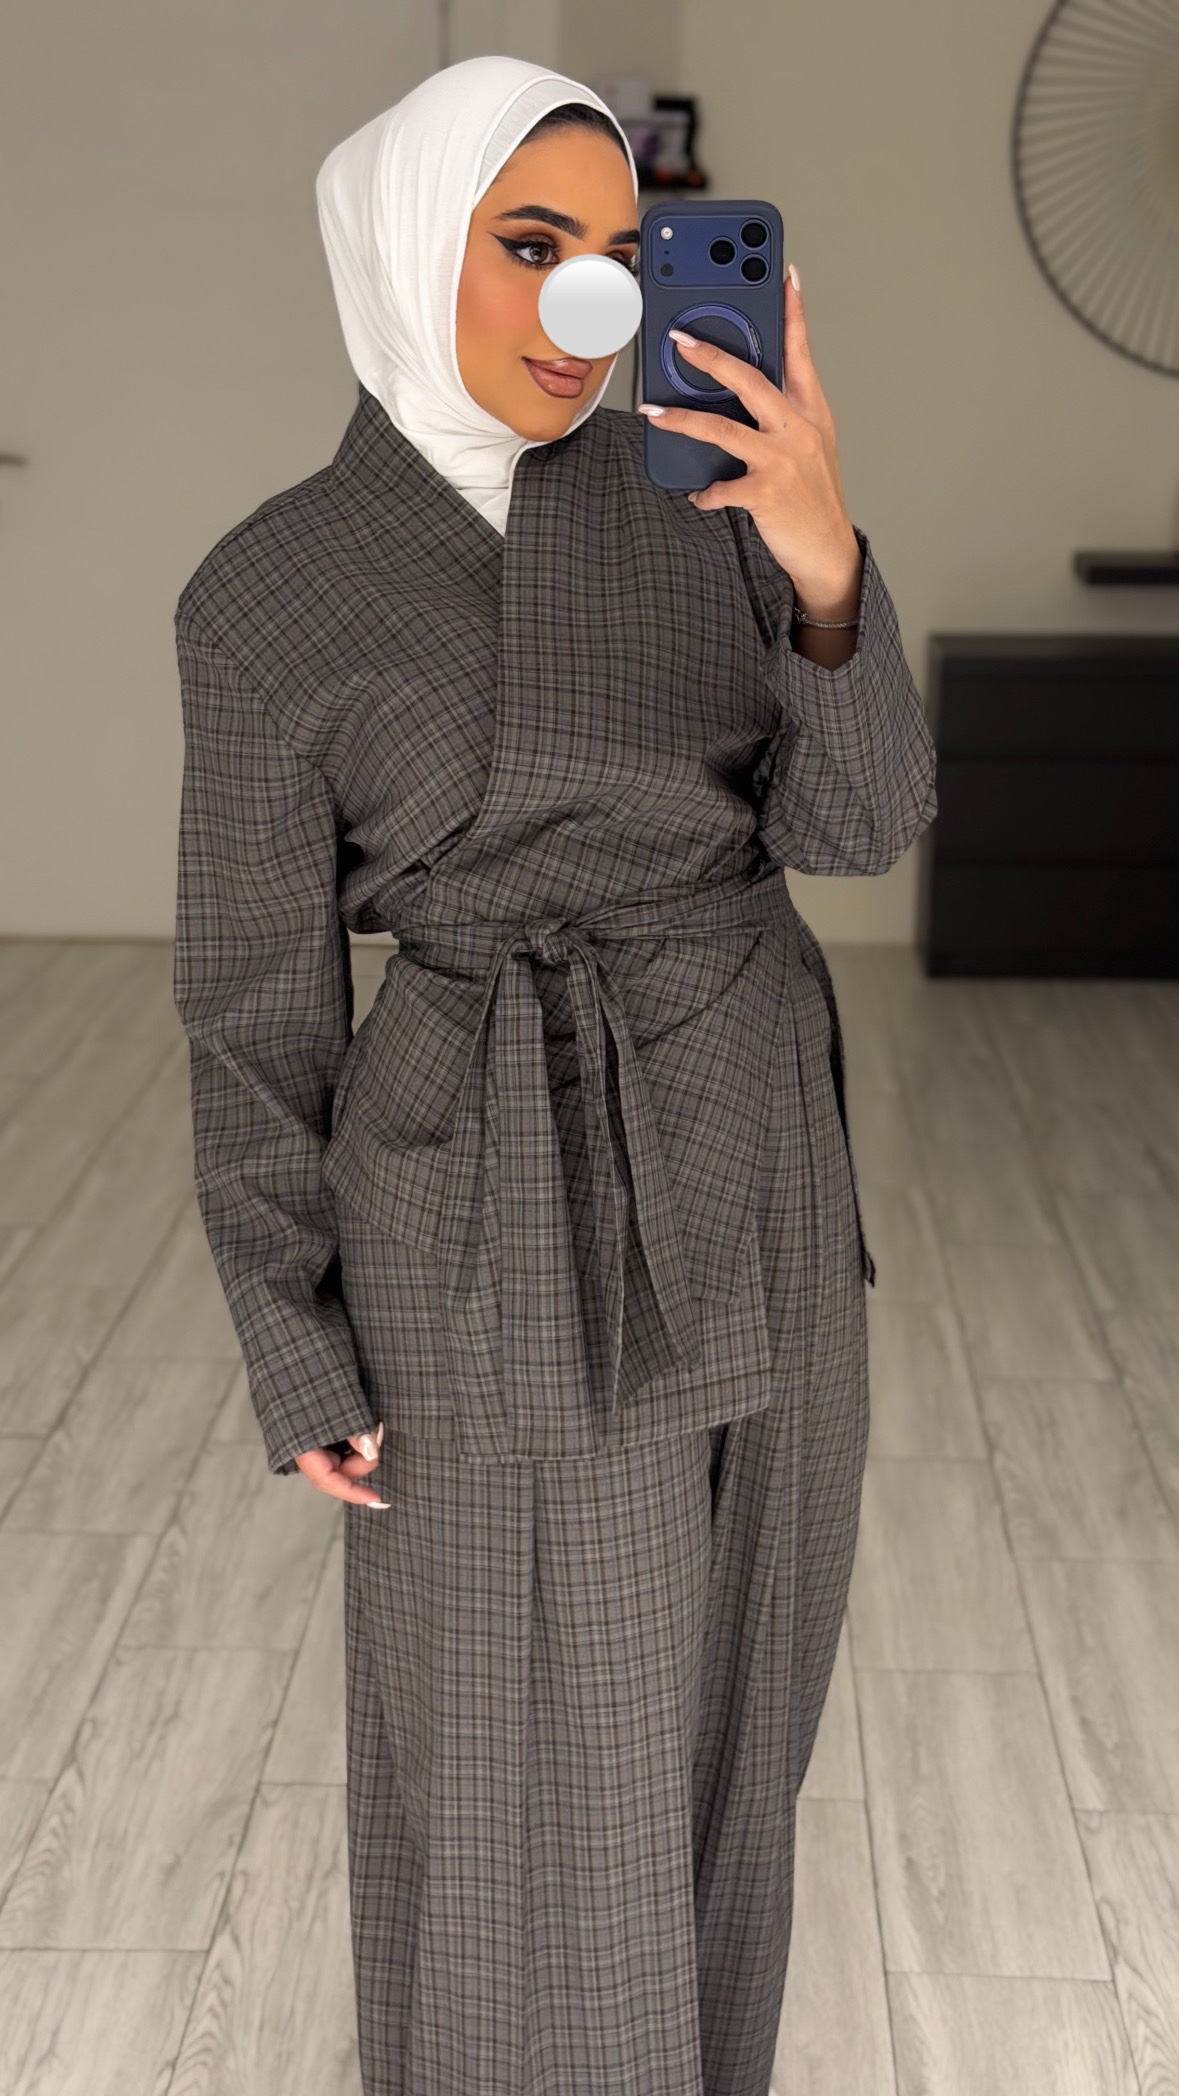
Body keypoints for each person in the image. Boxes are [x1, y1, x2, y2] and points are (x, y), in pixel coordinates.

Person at [171, 52, 937, 2096]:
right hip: (477, 1175)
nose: (590, 306)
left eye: (620, 254)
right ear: (411, 244)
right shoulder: (268, 592)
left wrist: (825, 562)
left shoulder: (703, 501)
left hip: (748, 1133)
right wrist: (295, 1335)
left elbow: (862, 827)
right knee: (512, 1724)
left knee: (743, 1696)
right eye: (531, 246)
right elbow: (252, 996)